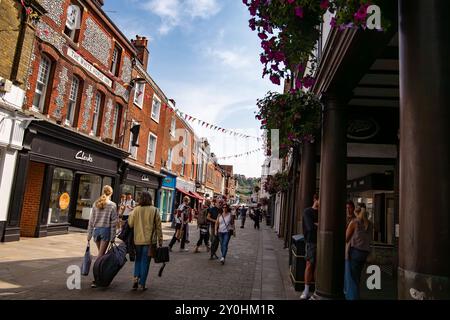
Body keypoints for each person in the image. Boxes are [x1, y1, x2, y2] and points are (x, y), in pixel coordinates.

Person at [127, 191, 163, 291]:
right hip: (150, 242)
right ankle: (142, 283)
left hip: (137, 240)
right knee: (145, 262)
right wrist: (160, 240)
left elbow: (130, 224)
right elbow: (159, 227)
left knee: (138, 260)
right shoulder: (155, 210)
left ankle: (135, 279)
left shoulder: (136, 210)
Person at [87, 185, 118, 288]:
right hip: (105, 231)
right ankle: (96, 280)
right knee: (100, 256)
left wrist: (89, 234)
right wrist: (113, 237)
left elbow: (91, 221)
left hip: (96, 231)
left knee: (101, 254)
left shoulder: (96, 203)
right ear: (111, 193)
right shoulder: (112, 205)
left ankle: (99, 277)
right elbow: (114, 223)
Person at [344, 203, 373, 300]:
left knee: (352, 278)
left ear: (356, 211)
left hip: (354, 252)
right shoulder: (369, 224)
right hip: (364, 254)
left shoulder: (354, 222)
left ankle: (353, 297)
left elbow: (346, 238)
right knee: (357, 277)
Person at [300, 194, 319, 300]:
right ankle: (306, 290)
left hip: (321, 242)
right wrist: (316, 225)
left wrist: (317, 224)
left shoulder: (322, 212)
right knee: (310, 264)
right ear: (315, 199)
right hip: (311, 241)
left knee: (318, 266)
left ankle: (316, 291)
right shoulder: (308, 211)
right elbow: (310, 227)